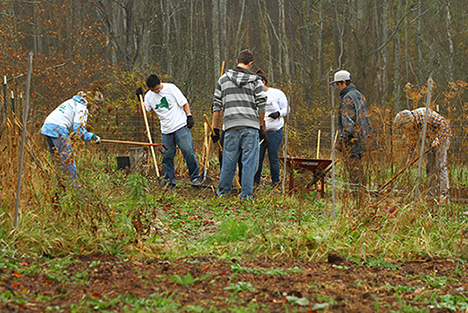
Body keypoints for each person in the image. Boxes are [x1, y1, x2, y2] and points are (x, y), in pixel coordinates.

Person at [211, 49, 268, 199]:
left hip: (230, 126)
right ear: (251, 63)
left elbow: (216, 106)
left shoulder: (223, 80)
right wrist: (261, 126)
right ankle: (246, 195)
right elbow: (262, 105)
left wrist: (215, 129)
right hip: (250, 127)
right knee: (249, 162)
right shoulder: (256, 81)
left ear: (237, 62)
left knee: (228, 161)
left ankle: (223, 193)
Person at [136, 74, 202, 189]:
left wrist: (189, 116)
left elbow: (184, 102)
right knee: (167, 156)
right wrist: (139, 99)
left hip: (180, 125)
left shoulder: (171, 88)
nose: (156, 92)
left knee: (188, 152)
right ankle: (169, 181)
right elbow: (143, 112)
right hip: (166, 130)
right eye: (154, 90)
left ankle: (195, 177)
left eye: (158, 89)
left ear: (160, 82)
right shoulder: (148, 96)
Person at [40, 91, 102, 185]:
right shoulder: (82, 108)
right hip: (58, 129)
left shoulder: (72, 102)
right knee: (67, 160)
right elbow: (79, 130)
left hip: (48, 127)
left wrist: (71, 134)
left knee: (59, 161)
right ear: (90, 101)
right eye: (96, 104)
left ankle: (61, 186)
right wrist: (92, 137)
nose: (97, 107)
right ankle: (73, 187)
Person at [329, 70, 374, 197]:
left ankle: (358, 196)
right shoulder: (358, 94)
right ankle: (362, 193)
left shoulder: (347, 98)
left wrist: (343, 139)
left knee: (353, 169)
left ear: (344, 82)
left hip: (352, 140)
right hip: (363, 137)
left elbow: (348, 122)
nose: (338, 87)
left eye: (338, 84)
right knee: (358, 169)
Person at [393, 108, 451, 198]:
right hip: (429, 140)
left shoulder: (425, 115)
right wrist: (411, 157)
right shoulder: (412, 127)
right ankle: (432, 193)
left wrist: (438, 139)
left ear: (409, 122)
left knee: (440, 166)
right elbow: (413, 142)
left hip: (441, 139)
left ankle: (444, 193)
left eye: (404, 127)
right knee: (430, 167)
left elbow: (445, 125)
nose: (405, 130)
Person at [254, 69, 289, 186]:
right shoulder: (253, 95)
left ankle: (276, 182)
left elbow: (286, 109)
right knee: (258, 157)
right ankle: (255, 181)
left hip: (275, 131)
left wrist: (278, 113)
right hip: (259, 131)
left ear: (263, 82)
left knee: (273, 157)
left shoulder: (277, 93)